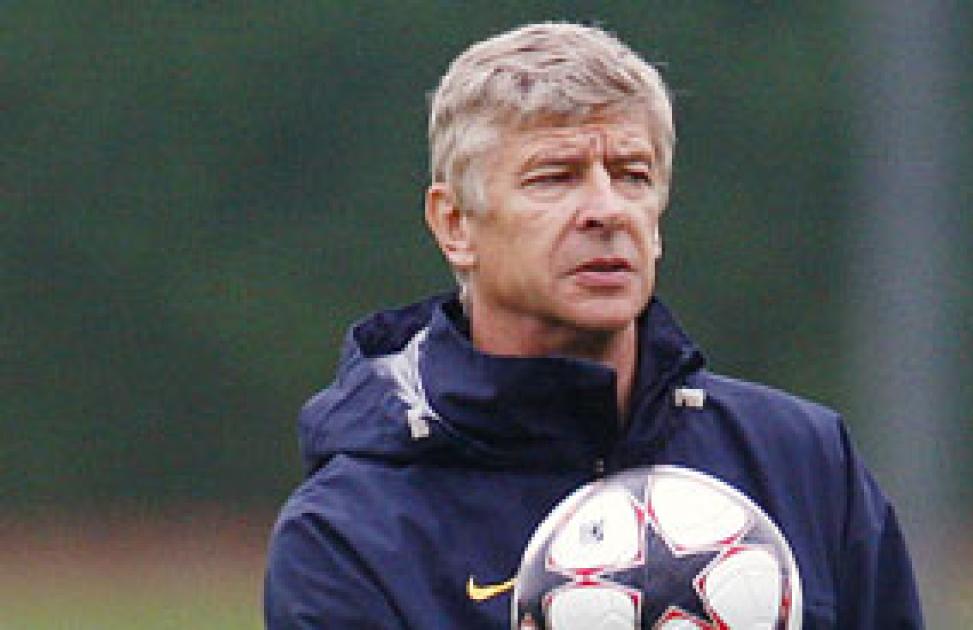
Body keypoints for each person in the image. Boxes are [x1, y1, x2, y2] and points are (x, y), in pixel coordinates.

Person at [264, 22, 923, 629]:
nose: (607, 210)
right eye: (555, 178)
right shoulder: (352, 535)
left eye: (632, 176)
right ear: (455, 224)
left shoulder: (800, 460)